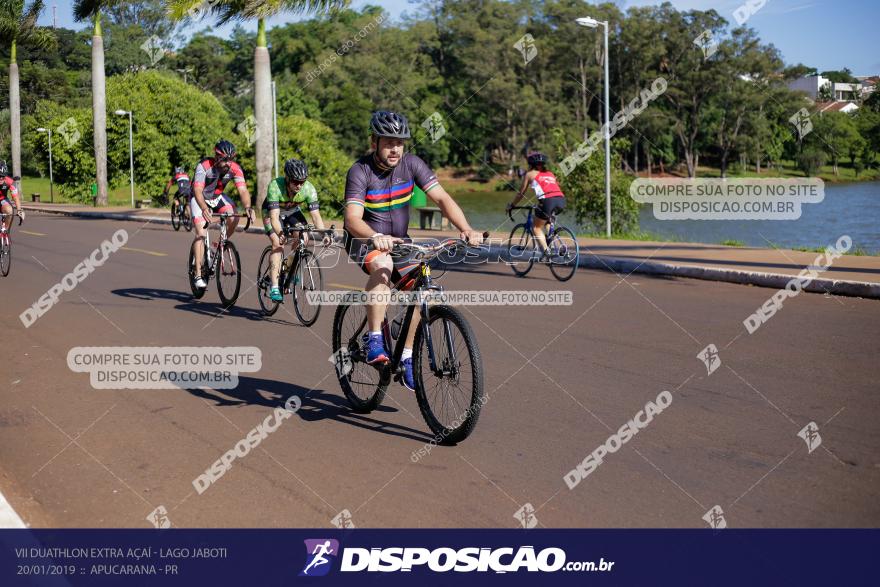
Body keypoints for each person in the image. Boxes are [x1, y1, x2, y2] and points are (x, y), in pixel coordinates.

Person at [343, 110, 483, 391]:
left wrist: (466, 229)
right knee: (382, 266)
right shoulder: (360, 171)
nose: (395, 148)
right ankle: (374, 339)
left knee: (425, 292)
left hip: (401, 242)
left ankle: (406, 356)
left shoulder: (412, 165)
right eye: (388, 142)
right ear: (374, 142)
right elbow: (352, 219)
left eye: (400, 142)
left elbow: (442, 198)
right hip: (364, 240)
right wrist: (376, 236)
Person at [190, 140, 255, 289]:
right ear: (217, 156)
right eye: (225, 159)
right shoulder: (204, 166)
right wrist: (204, 207)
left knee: (234, 217)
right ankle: (198, 274)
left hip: (217, 197)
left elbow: (243, 190)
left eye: (231, 159)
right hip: (199, 198)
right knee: (200, 232)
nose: (228, 163)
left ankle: (217, 246)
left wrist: (248, 207)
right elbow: (198, 191)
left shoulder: (235, 169)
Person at [262, 158, 326, 302]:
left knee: (304, 237)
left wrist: (324, 234)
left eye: (302, 182)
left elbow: (316, 216)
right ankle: (274, 287)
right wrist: (281, 233)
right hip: (272, 213)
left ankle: (286, 267)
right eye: (295, 182)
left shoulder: (309, 188)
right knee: (278, 244)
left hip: (291, 212)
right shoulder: (275, 186)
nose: (299, 185)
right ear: (287, 178)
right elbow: (274, 217)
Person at [506, 152, 566, 258]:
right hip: (561, 200)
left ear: (531, 164)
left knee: (536, 227)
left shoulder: (529, 174)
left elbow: (521, 194)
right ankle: (554, 245)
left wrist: (512, 205)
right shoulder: (550, 174)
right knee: (547, 221)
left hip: (548, 201)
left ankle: (547, 252)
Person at [0, 160, 23, 231]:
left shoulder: (9, 181)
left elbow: (15, 197)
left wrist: (19, 210)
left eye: (3, 176)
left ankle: (6, 231)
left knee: (9, 210)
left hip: (2, 199)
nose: (1, 178)